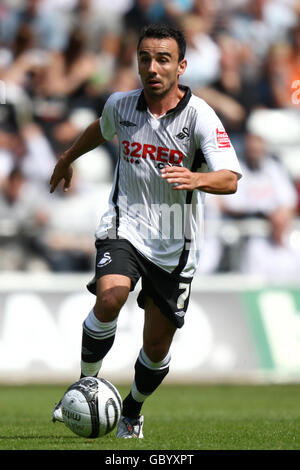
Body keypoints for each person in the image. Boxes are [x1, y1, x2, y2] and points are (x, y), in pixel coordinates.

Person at [50, 23, 242, 439]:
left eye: (163, 59)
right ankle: (85, 383)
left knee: (156, 349)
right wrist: (67, 158)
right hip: (125, 226)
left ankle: (132, 411)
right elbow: (98, 131)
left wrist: (197, 178)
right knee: (111, 295)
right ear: (137, 62)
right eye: (145, 58)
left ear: (181, 67)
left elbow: (230, 178)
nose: (152, 67)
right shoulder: (121, 105)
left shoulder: (200, 116)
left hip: (177, 244)